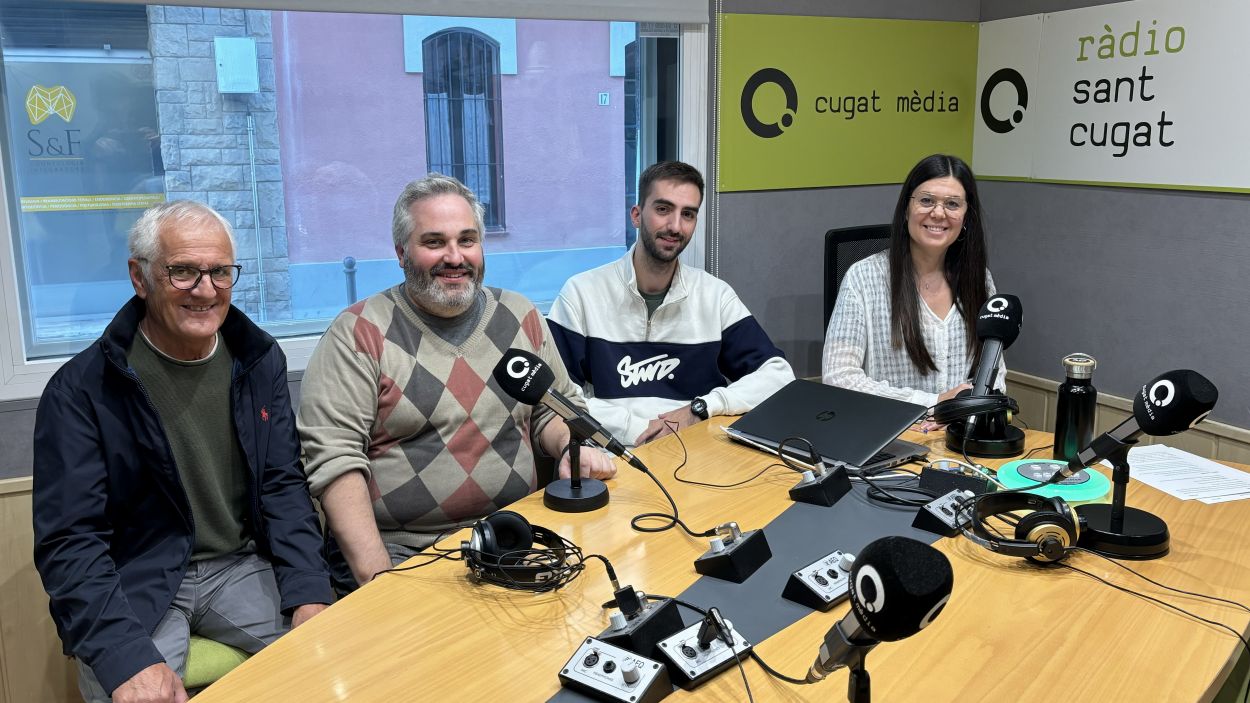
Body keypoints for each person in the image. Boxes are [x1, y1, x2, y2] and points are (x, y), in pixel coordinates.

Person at [32, 201, 333, 703]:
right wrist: (124, 657)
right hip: (138, 576)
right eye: (183, 272)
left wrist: (309, 591)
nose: (206, 289)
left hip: (241, 567)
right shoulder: (81, 390)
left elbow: (283, 484)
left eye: (219, 272)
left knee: (338, 661)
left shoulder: (259, 362)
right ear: (140, 276)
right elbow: (71, 541)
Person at [298, 173, 615, 594]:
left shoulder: (520, 316)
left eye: (467, 240)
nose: (455, 256)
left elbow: (554, 410)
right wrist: (380, 585)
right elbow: (334, 464)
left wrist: (571, 448)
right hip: (402, 555)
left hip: (514, 536)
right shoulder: (358, 333)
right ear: (401, 252)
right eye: (434, 242)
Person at [547, 161, 794, 446]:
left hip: (696, 453)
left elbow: (778, 375)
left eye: (687, 214)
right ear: (637, 215)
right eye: (663, 209)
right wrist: (637, 427)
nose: (675, 226)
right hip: (613, 453)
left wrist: (700, 408)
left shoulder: (714, 296)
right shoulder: (582, 293)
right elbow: (557, 395)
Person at [821, 154, 1005, 415]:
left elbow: (995, 374)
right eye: (927, 200)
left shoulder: (979, 279)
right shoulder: (863, 278)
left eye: (952, 204)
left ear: (966, 216)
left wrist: (966, 409)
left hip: (959, 437)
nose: (939, 213)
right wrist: (933, 403)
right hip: (888, 435)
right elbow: (838, 377)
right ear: (907, 208)